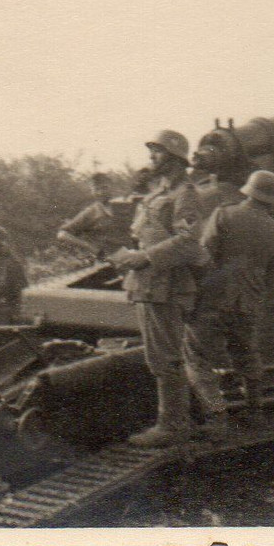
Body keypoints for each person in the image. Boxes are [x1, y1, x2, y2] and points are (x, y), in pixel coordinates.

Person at [108, 130, 202, 448]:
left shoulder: (185, 194)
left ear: (175, 159)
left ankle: (174, 426)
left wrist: (144, 257)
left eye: (158, 152)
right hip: (149, 283)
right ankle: (170, 421)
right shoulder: (157, 192)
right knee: (157, 355)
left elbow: (188, 242)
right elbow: (144, 233)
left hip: (166, 285)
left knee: (166, 356)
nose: (151, 157)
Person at [183, 170, 274, 439]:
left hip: (213, 299)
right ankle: (255, 412)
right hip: (248, 304)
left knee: (196, 358)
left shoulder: (224, 214)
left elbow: (203, 254)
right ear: (272, 198)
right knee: (247, 355)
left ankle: (217, 417)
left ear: (248, 191)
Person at [57, 173, 124, 260]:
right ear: (92, 191)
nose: (100, 192)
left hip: (132, 258)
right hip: (108, 261)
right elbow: (62, 234)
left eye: (104, 187)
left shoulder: (123, 206)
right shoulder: (92, 212)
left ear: (112, 187)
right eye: (96, 189)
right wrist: (92, 248)